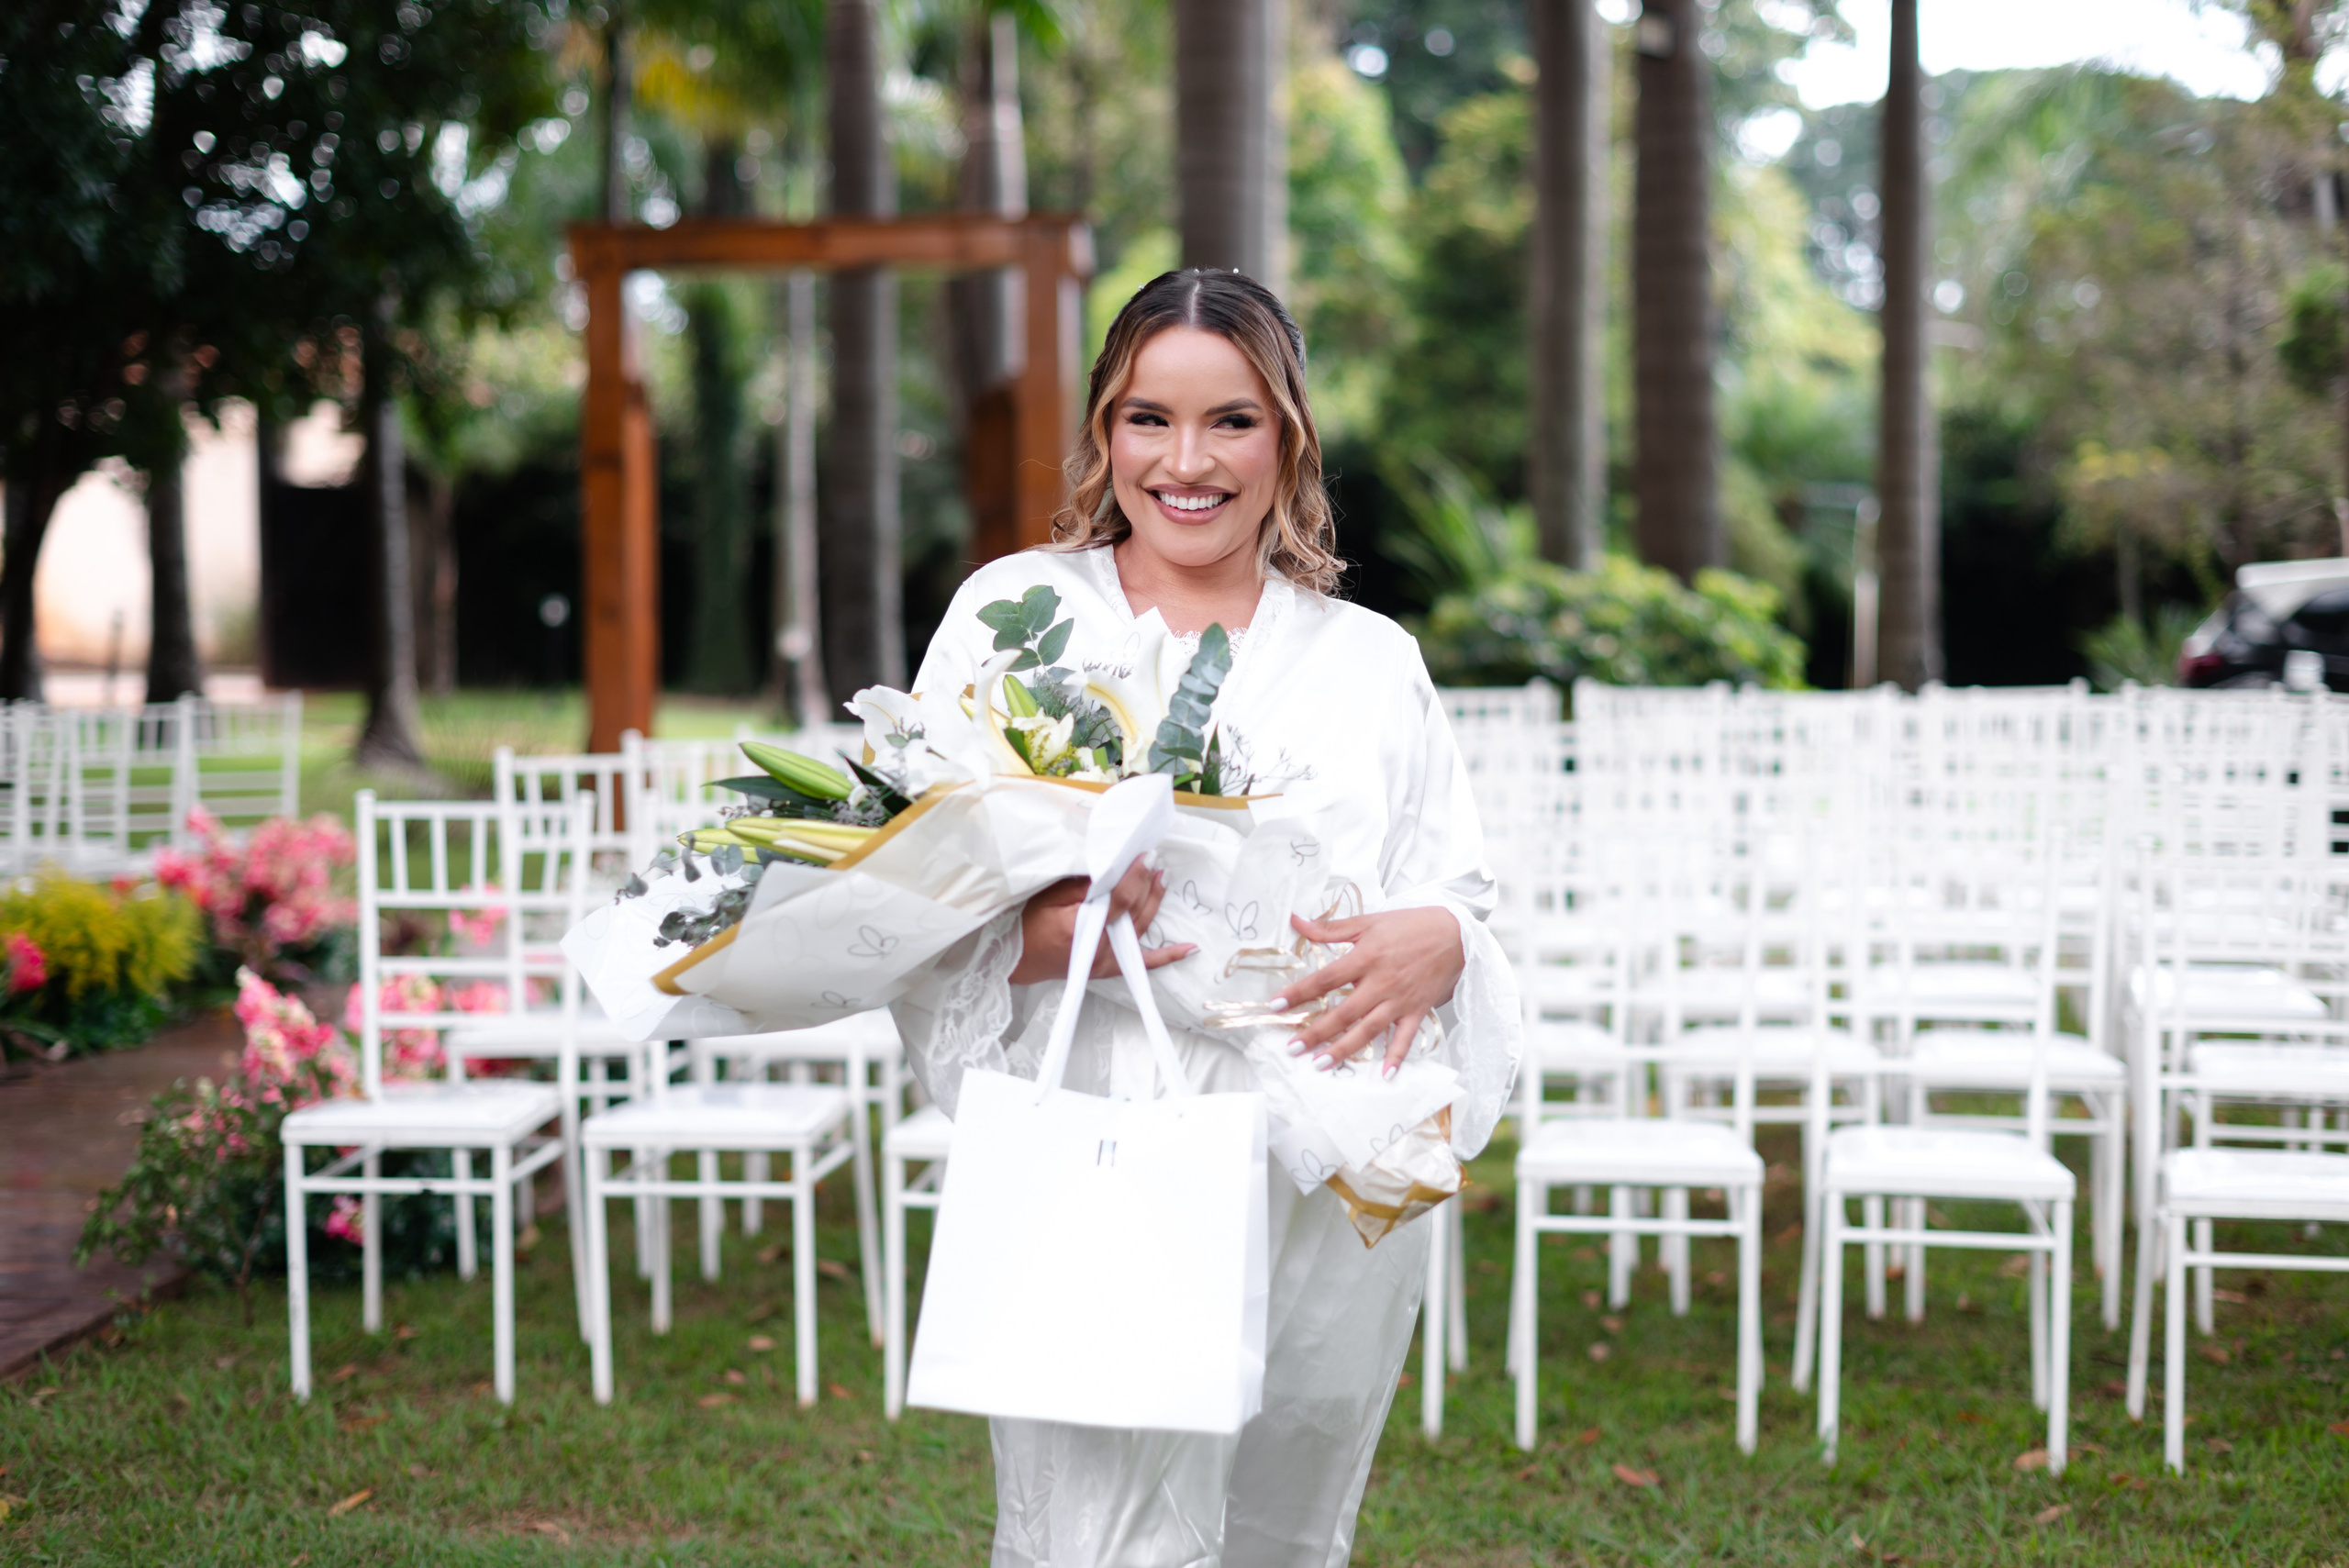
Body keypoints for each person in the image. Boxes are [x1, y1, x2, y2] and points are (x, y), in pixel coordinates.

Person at [891, 268, 1521, 1568]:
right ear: (1104, 431)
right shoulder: (1011, 622)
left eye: (1231, 420)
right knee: (1097, 1535)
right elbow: (907, 899)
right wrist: (1049, 937)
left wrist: (1449, 942)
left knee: (1284, 1518)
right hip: (1100, 1128)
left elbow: (1453, 886)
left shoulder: (1371, 661)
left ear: (1288, 436)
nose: (1187, 462)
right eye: (1149, 419)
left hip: (1315, 1155)